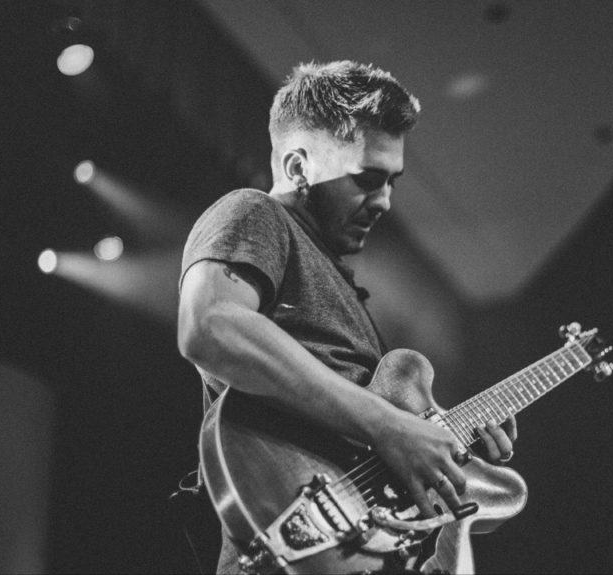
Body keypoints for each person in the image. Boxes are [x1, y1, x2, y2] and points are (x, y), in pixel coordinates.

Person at [176, 60, 516, 573]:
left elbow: (363, 444)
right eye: (366, 178)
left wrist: (441, 444)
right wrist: (389, 427)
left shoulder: (337, 279)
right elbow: (210, 327)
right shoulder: (254, 213)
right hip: (289, 532)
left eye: (392, 182)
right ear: (297, 168)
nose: (383, 201)